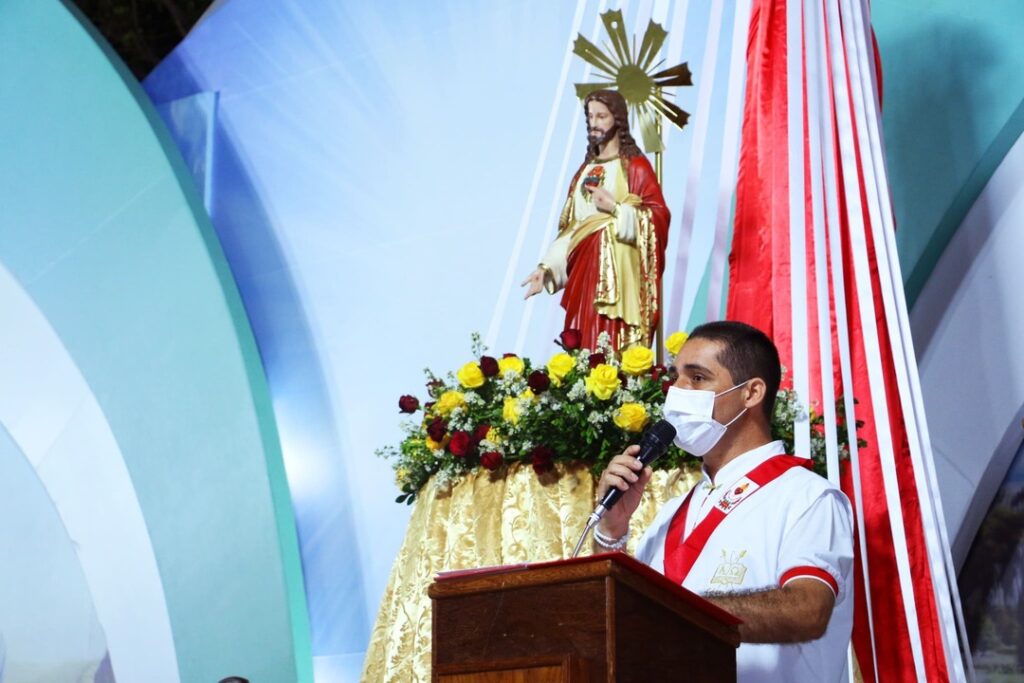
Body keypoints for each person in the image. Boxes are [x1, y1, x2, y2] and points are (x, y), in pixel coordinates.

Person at [594, 321, 854, 682]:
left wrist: (674, 614)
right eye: (676, 377)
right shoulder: (672, 512)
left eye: (697, 378)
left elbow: (808, 610)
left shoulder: (808, 497)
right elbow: (624, 616)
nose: (678, 391)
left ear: (751, 393)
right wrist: (612, 530)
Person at [521, 89, 670, 351]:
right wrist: (545, 270)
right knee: (586, 343)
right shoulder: (584, 170)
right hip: (585, 275)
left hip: (622, 282)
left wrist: (614, 208)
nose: (594, 123)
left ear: (618, 119)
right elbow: (573, 230)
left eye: (601, 116)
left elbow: (657, 218)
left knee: (614, 347)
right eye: (590, 116)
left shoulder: (634, 166)